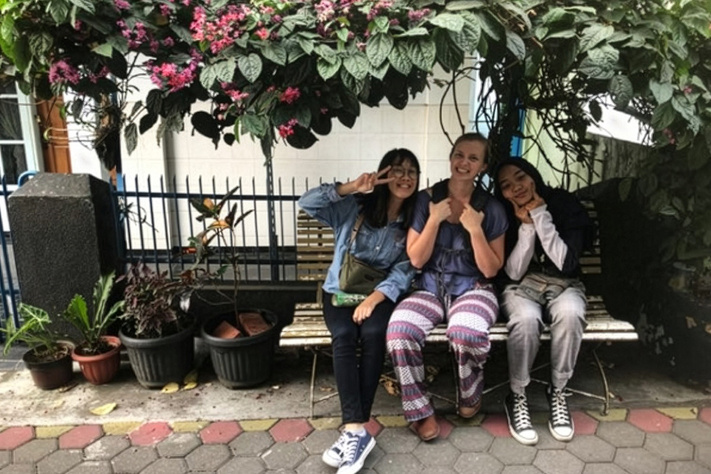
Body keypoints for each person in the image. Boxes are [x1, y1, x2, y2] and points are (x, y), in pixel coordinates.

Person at [298, 149, 420, 474]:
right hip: (338, 292)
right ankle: (357, 430)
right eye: (397, 171)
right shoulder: (354, 208)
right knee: (343, 335)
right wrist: (350, 186)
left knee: (374, 332)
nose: (404, 177)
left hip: (378, 297)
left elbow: (405, 269)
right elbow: (306, 203)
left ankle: (354, 431)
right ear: (383, 175)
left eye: (411, 171)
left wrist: (374, 299)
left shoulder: (412, 222)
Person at [385, 133, 508, 441]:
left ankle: (470, 393)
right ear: (451, 156)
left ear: (483, 166)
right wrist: (433, 220)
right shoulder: (427, 199)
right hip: (429, 287)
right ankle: (419, 409)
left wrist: (475, 230)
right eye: (459, 155)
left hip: (474, 288)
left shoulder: (490, 208)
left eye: (473, 158)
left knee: (465, 333)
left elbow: (491, 269)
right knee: (399, 331)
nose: (464, 163)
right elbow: (415, 258)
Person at [493, 157, 594, 445]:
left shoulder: (563, 204)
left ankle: (558, 391)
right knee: (525, 320)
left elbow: (565, 264)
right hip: (521, 286)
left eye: (520, 178)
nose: (516, 188)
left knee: (571, 314)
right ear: (502, 193)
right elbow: (512, 273)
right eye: (506, 186)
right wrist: (526, 227)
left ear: (533, 176)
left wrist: (541, 216)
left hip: (564, 284)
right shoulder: (503, 214)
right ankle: (518, 395)